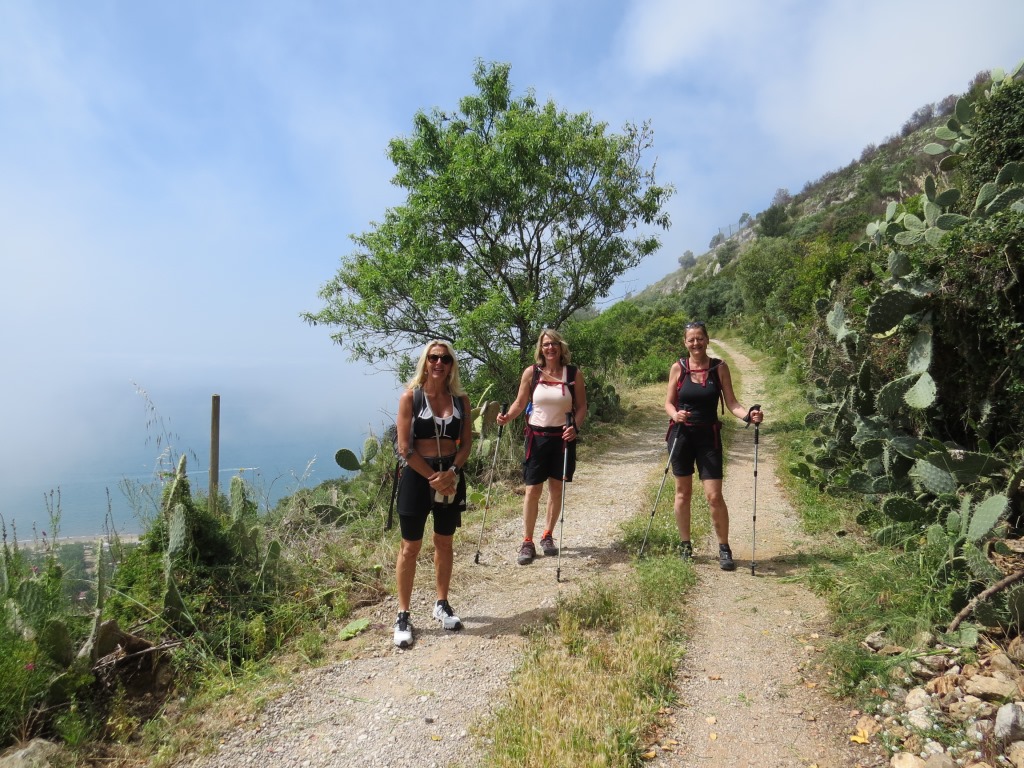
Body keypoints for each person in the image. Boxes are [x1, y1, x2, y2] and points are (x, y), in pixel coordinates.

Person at [392, 340, 473, 648]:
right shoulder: (410, 398)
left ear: (452, 364)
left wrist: (450, 473)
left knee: (444, 541)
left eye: (446, 358)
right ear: (425, 362)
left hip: (450, 475)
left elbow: (465, 444)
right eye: (433, 357)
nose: (439, 363)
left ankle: (441, 602)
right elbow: (405, 448)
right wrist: (433, 479)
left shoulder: (460, 401)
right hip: (417, 477)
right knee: (410, 547)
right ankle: (402, 613)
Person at [664, 321, 763, 571]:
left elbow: (732, 402)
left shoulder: (719, 368)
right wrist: (675, 415)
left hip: (709, 436)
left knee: (714, 496)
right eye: (691, 339)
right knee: (682, 493)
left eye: (700, 338)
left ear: (707, 340)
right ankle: (685, 545)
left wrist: (747, 415)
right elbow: (668, 404)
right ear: (685, 342)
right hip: (681, 436)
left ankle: (724, 548)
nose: (695, 343)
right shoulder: (678, 368)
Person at [496, 329, 588, 565]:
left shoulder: (573, 374)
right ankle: (527, 541)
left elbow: (582, 407)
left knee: (556, 489)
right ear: (541, 348)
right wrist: (507, 417)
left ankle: (547, 535)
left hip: (563, 438)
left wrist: (575, 428)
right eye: (546, 344)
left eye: (554, 344)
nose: (550, 348)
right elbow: (520, 402)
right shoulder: (532, 373)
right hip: (536, 437)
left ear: (561, 347)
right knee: (532, 490)